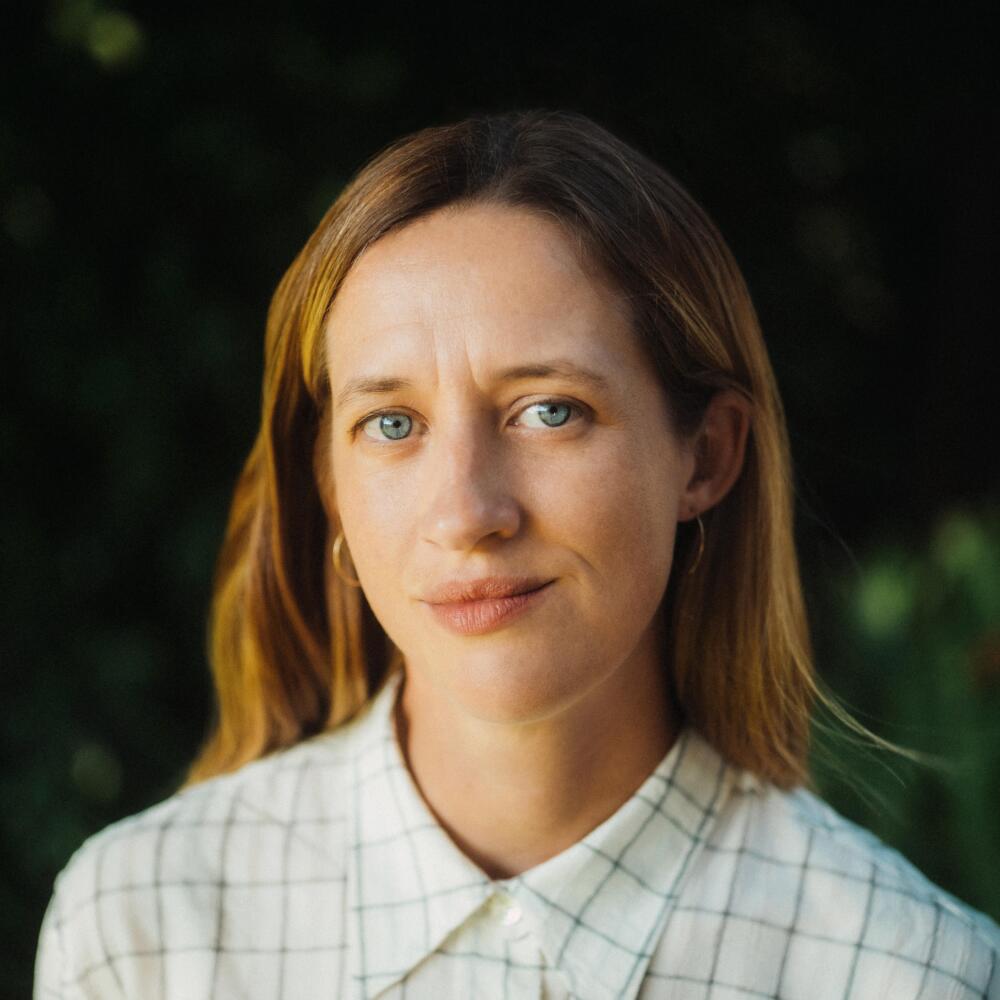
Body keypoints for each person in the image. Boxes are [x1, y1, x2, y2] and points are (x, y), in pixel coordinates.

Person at [34, 109, 999, 1000]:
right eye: (393, 422)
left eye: (550, 411)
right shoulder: (143, 929)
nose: (467, 513)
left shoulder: (908, 972)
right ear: (330, 485)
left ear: (706, 458)